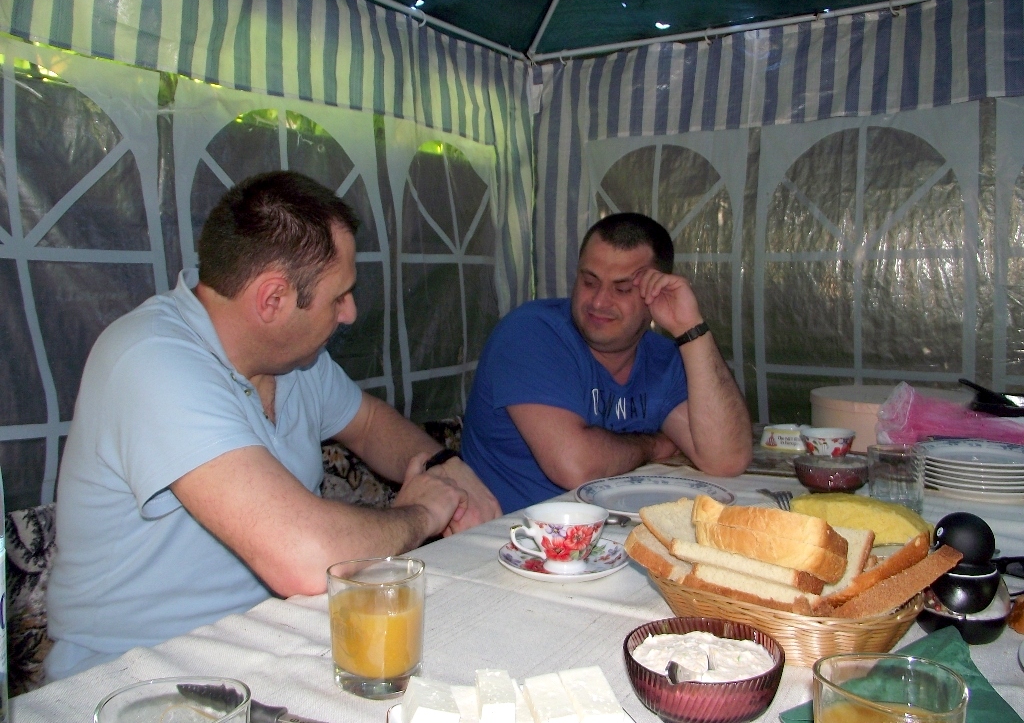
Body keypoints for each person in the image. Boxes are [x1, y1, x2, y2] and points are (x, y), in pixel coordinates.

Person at [45, 171, 501, 680]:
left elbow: (370, 424)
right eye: (339, 296)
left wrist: (441, 465)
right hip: (135, 679)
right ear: (272, 300)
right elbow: (306, 558)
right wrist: (421, 513)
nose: (350, 313)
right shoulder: (149, 360)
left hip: (269, 649)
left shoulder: (295, 363)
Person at [461, 212, 752, 513]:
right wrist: (652, 445)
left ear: (654, 294)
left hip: (607, 531)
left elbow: (726, 459)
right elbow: (576, 466)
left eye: (622, 289)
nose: (599, 302)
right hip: (516, 533)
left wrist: (690, 328)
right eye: (589, 282)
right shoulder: (531, 333)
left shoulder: (661, 357)